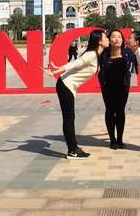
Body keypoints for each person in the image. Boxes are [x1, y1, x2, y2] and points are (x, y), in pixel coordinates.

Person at [44, 29, 109, 159]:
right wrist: (57, 71)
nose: (108, 39)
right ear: (99, 41)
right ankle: (72, 150)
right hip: (65, 85)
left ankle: (73, 149)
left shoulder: (97, 54)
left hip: (68, 86)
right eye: (106, 37)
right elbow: (76, 63)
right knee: (68, 118)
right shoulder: (91, 54)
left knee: (70, 117)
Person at [98, 30, 136, 149]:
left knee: (120, 111)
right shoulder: (104, 53)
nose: (117, 39)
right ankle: (112, 140)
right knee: (110, 111)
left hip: (123, 87)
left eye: (119, 36)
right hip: (107, 87)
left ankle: (120, 140)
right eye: (113, 36)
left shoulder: (127, 52)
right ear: (109, 39)